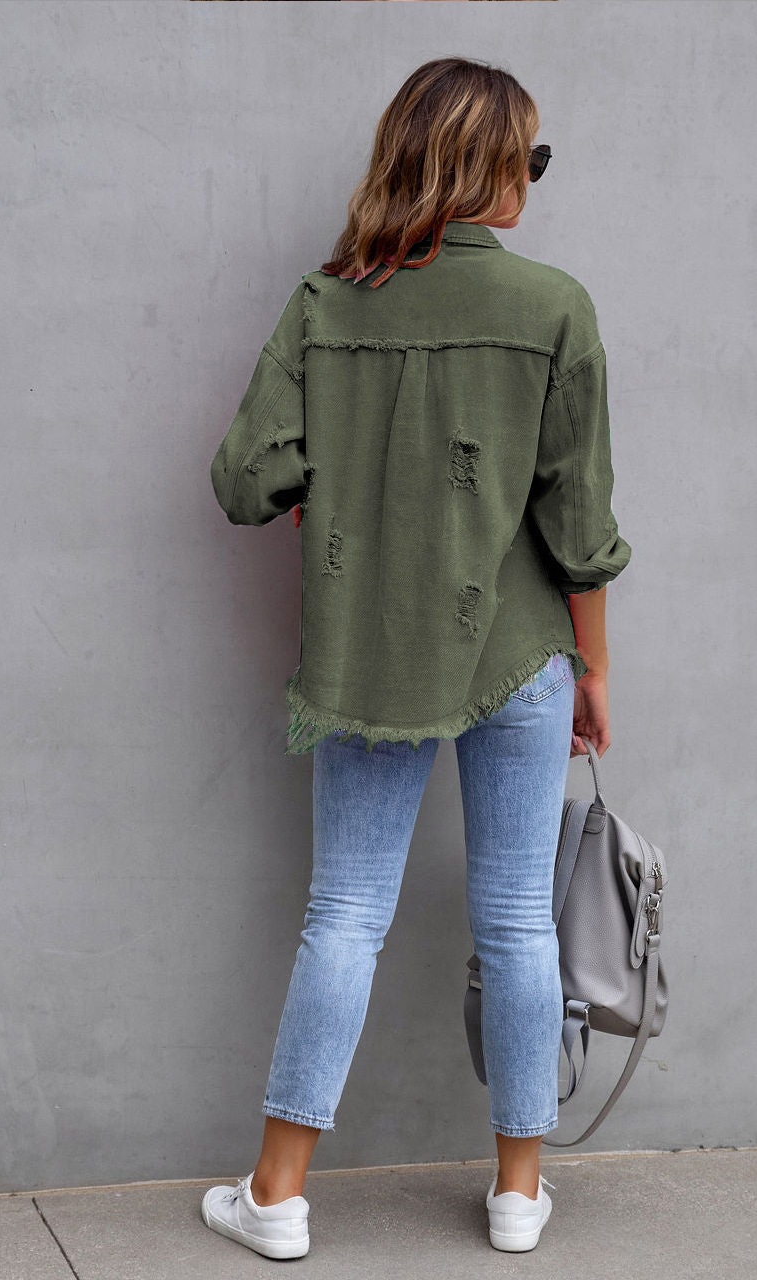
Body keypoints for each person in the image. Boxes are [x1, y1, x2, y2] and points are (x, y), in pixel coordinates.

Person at [201, 56, 632, 1258]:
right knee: (518, 922)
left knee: (344, 913)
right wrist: (594, 668)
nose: (533, 177)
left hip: (371, 656)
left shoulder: (327, 303)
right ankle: (517, 1194)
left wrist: (331, 483)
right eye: (527, 156)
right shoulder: (555, 308)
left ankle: (276, 1195)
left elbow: (243, 476)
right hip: (523, 651)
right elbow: (579, 525)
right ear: (484, 165)